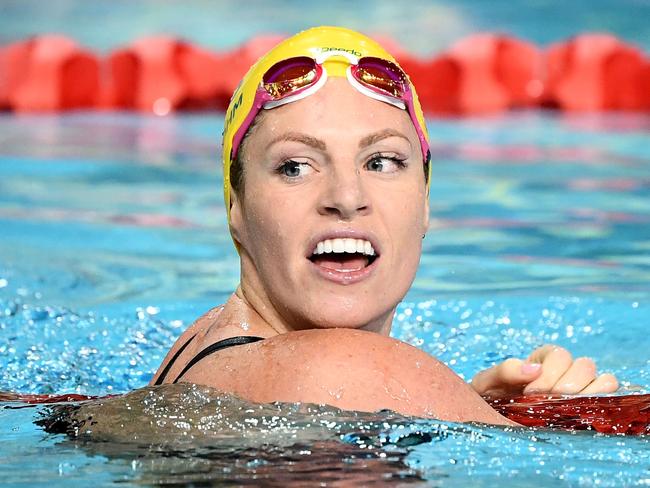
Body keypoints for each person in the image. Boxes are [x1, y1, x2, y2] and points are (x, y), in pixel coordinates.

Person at [150, 26, 618, 425]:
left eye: (383, 161)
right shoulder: (344, 366)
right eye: (295, 166)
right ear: (236, 206)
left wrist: (462, 403)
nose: (347, 198)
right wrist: (571, 416)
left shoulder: (201, 345)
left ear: (426, 199)